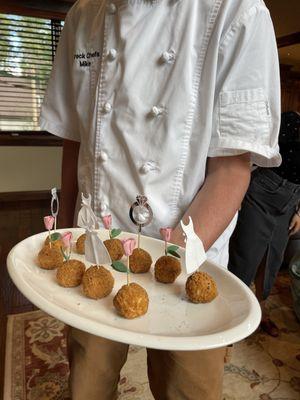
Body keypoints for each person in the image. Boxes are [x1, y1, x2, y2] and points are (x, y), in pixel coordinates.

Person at [40, 0, 281, 398]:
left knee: (187, 389)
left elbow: (232, 169)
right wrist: (65, 237)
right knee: (87, 383)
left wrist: (167, 269)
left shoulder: (238, 11)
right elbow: (75, 140)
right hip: (93, 247)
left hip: (188, 259)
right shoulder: (84, 15)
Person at [228, 111, 300, 337]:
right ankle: (231, 314)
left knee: (273, 259)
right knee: (245, 255)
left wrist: (299, 210)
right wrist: (235, 193)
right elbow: (252, 153)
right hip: (261, 193)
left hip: (290, 201)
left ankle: (261, 310)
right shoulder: (290, 121)